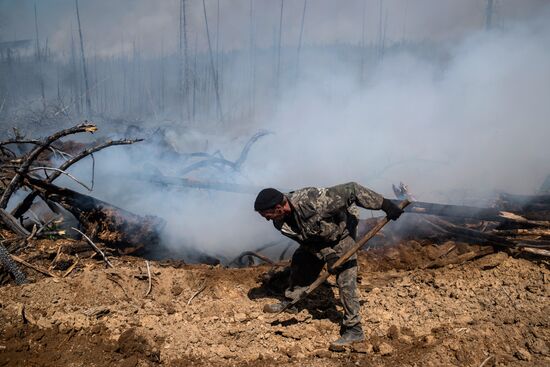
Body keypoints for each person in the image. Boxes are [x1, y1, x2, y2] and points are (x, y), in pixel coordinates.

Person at [254, 182, 403, 349]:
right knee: (301, 260)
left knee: (345, 277)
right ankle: (293, 302)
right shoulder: (281, 223)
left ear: (278, 207)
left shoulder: (312, 200)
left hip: (342, 232)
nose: (267, 219)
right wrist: (327, 254)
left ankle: (354, 329)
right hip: (318, 239)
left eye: (267, 214)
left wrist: (384, 204)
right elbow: (306, 241)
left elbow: (352, 190)